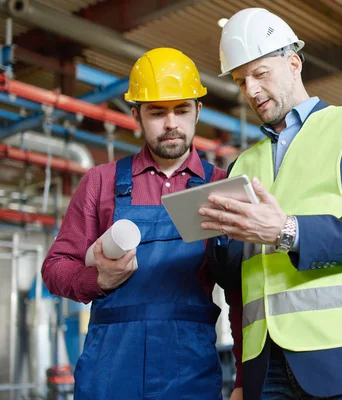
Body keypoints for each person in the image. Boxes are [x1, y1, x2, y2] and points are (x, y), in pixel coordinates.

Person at [200, 8, 342, 400]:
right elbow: (236, 278)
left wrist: (286, 231)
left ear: (293, 63)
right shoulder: (242, 164)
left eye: (261, 74)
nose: (252, 91)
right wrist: (219, 239)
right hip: (267, 365)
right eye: (242, 82)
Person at [42, 47, 243, 400]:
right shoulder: (101, 183)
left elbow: (241, 293)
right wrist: (96, 279)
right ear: (136, 116)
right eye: (156, 112)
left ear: (198, 110)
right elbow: (55, 268)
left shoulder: (221, 186)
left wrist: (243, 377)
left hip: (189, 371)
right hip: (109, 371)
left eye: (181, 110)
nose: (171, 124)